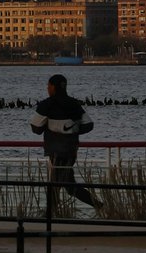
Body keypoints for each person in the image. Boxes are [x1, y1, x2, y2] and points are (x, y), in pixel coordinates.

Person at [29, 73, 101, 212]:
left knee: (59, 185)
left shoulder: (46, 105)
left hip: (55, 151)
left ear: (53, 87)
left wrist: (50, 128)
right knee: (66, 185)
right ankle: (99, 207)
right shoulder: (74, 104)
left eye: (48, 86)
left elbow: (35, 128)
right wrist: (72, 131)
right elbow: (89, 125)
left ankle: (50, 216)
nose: (47, 88)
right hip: (71, 150)